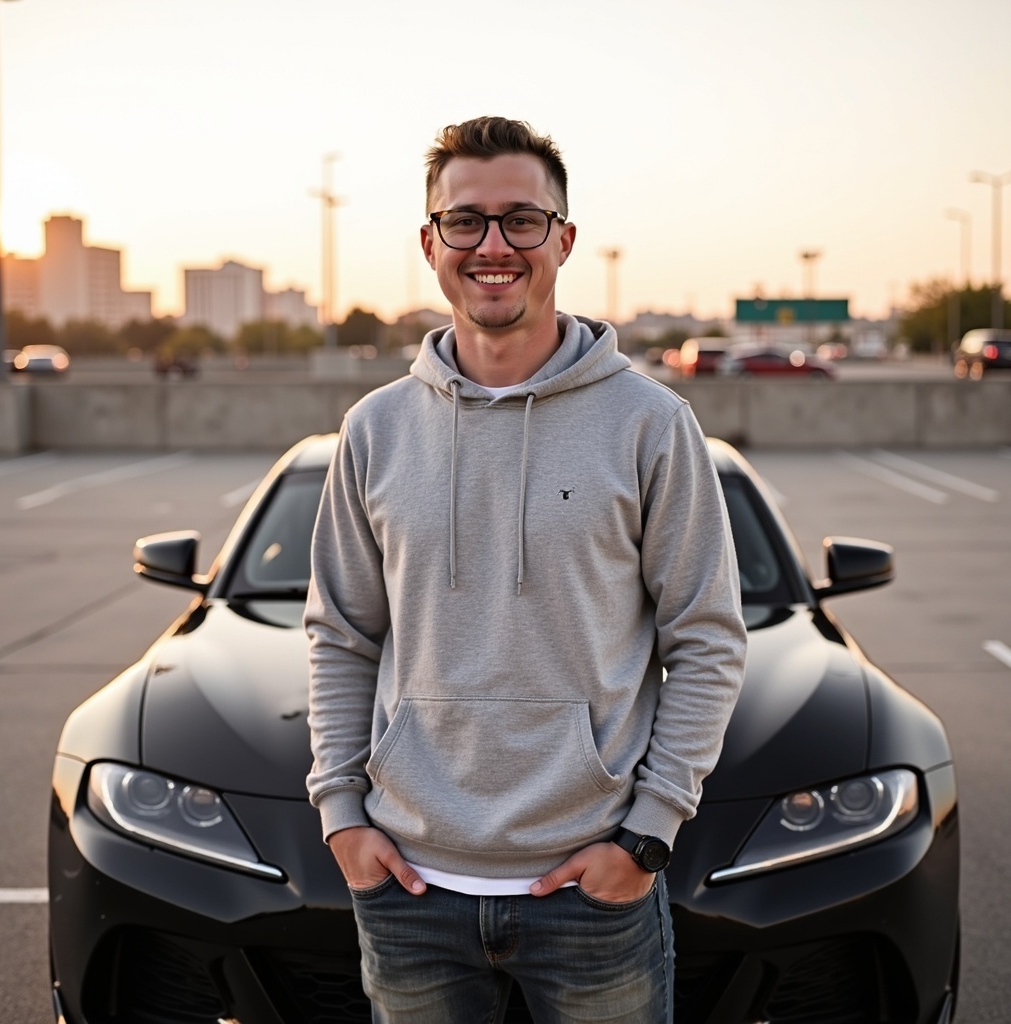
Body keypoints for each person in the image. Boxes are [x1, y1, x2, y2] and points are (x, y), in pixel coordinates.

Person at [305, 115, 747, 1024]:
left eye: (521, 219)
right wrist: (342, 817)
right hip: (409, 889)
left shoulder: (650, 425)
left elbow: (706, 640)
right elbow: (341, 636)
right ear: (430, 243)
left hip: (593, 892)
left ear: (564, 239)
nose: (493, 245)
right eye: (465, 221)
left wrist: (649, 836)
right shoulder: (376, 430)